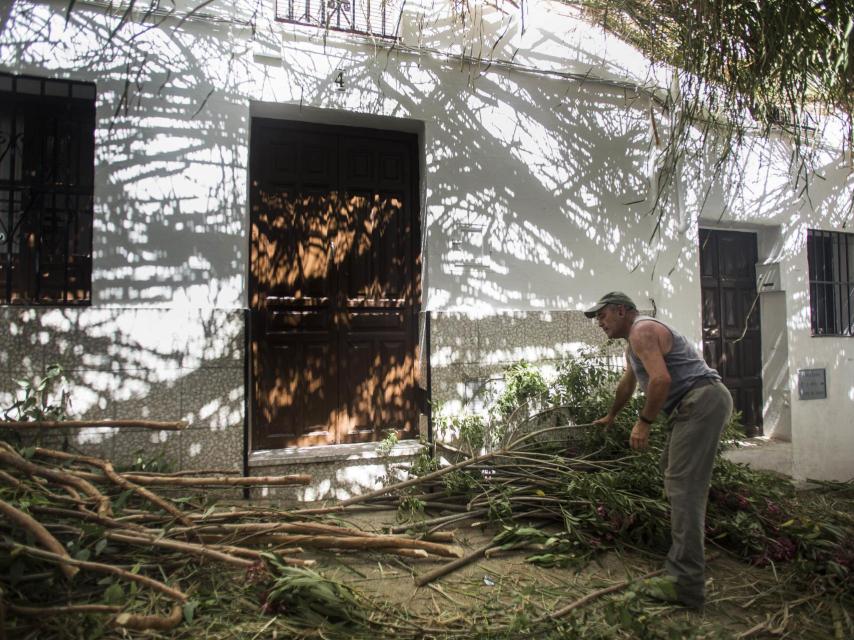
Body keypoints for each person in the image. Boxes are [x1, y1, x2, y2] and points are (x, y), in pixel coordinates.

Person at [584, 291, 733, 610]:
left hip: (701, 401)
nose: (599, 322)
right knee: (675, 477)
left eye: (603, 315)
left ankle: (686, 583)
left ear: (622, 311)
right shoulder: (634, 341)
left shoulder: (642, 331)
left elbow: (661, 380)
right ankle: (682, 565)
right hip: (697, 404)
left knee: (684, 489)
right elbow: (629, 383)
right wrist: (612, 415)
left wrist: (644, 422)